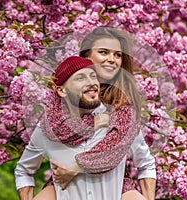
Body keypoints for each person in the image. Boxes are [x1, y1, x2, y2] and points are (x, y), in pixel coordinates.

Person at [34, 27, 156, 199]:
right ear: (86, 57)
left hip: (111, 184)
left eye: (118, 55)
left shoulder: (123, 110)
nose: (112, 60)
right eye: (104, 52)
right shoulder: (61, 104)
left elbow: (145, 162)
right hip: (67, 184)